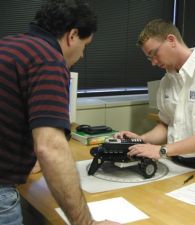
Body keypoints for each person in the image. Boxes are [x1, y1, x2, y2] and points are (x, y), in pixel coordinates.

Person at [0, 0, 120, 225]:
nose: (83, 55)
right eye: (85, 45)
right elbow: (50, 148)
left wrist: (25, 160)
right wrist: (86, 223)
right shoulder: (48, 59)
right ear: (72, 35)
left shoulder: (11, 45)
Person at [115, 19, 195, 170]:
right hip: (173, 162)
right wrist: (141, 139)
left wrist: (161, 150)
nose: (154, 62)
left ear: (171, 40)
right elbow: (165, 125)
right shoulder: (166, 81)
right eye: (149, 58)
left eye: (154, 53)